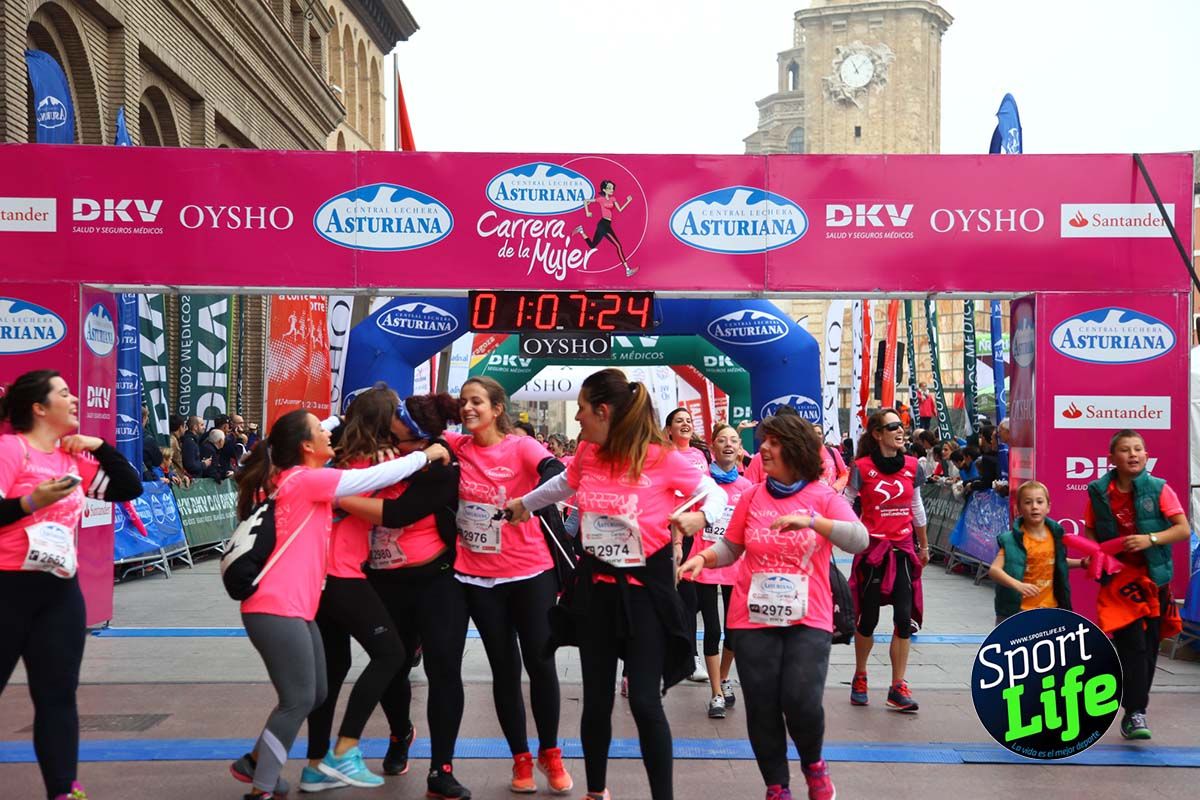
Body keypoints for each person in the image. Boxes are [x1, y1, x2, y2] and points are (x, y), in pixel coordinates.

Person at [508, 368, 724, 800]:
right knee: (596, 702)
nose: (578, 421)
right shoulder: (588, 451)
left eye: (583, 411)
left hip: (646, 593)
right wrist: (523, 505)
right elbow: (562, 484)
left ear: (603, 411)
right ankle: (596, 791)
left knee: (645, 702)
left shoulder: (660, 457)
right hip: (597, 592)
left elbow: (712, 492)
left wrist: (700, 517)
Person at [232, 409, 448, 800]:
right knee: (297, 699)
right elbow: (372, 478)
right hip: (275, 606)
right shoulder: (307, 480)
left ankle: (255, 763)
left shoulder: (292, 476)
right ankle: (262, 788)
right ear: (306, 446)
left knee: (315, 694)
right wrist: (426, 455)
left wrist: (339, 417)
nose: (329, 435)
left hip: (297, 607)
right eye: (320, 431)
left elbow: (317, 437)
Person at [680, 413, 868, 800]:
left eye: (774, 442)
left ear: (795, 449)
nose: (762, 447)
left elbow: (859, 539)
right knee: (762, 705)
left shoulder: (822, 496)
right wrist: (705, 559)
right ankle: (777, 786)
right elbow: (732, 546)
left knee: (800, 698)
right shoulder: (751, 495)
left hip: (808, 615)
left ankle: (814, 764)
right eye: (764, 441)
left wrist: (815, 522)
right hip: (751, 617)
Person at [0, 370, 143, 800]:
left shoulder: (71, 459)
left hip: (60, 592)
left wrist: (101, 446)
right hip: (7, 589)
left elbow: (127, 487)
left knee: (58, 695)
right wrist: (30, 502)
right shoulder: (11, 449)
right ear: (39, 408)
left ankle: (64, 790)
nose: (75, 399)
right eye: (64, 393)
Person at [282, 387, 420, 793]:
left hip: (317, 579)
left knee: (334, 668)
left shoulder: (330, 457)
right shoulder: (378, 460)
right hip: (342, 575)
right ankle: (344, 749)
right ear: (386, 419)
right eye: (396, 412)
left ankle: (313, 765)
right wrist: (428, 452)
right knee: (391, 654)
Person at [337, 391, 472, 799]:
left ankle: (441, 769)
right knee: (392, 666)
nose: (390, 431)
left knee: (444, 669)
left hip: (437, 580)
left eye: (397, 426)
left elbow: (398, 514)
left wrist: (333, 495)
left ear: (417, 433)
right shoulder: (373, 454)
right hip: (383, 579)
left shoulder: (441, 466)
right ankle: (401, 734)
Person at [442, 377, 573, 795]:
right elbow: (413, 418)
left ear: (497, 409)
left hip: (530, 573)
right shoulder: (456, 447)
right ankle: (520, 758)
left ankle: (551, 753)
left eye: (476, 401)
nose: (467, 408)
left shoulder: (520, 446)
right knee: (504, 668)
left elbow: (557, 471)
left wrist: (529, 501)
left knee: (540, 662)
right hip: (478, 578)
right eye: (463, 402)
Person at [1082, 429, 1189, 740]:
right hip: (1119, 580)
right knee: (1133, 644)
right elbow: (1090, 532)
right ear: (1111, 458)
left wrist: (1150, 539)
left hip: (1155, 578)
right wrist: (1095, 555)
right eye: (1126, 449)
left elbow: (1182, 529)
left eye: (1139, 449)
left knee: (1151, 646)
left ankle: (1134, 705)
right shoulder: (1099, 492)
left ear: (1146, 455)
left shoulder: (1159, 489)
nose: (1133, 454)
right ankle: (1135, 712)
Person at [846, 408, 929, 713]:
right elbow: (845, 504)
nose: (900, 431)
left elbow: (917, 507)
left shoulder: (912, 466)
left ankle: (898, 685)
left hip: (903, 551)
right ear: (877, 434)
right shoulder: (861, 467)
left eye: (902, 425)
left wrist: (923, 545)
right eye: (893, 426)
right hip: (873, 552)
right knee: (867, 620)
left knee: (904, 618)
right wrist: (848, 536)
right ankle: (860, 675)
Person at [684, 423, 752, 718]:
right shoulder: (701, 483)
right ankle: (715, 693)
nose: (728, 444)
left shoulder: (747, 488)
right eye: (722, 440)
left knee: (735, 632)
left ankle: (723, 678)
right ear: (712, 447)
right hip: (707, 563)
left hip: (736, 566)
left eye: (734, 441)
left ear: (740, 450)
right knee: (713, 629)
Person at [989, 481, 1080, 624]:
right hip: (1018, 613)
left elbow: (1057, 561)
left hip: (1050, 610)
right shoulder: (1012, 540)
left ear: (1048, 506)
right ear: (1018, 508)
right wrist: (1018, 585)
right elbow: (994, 570)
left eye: (1039, 502)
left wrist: (1082, 563)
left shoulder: (1055, 535)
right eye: (1028, 502)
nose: (1034, 507)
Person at [664, 408, 710, 682]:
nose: (685, 424)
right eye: (678, 421)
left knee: (690, 598)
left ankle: (689, 657)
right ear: (668, 428)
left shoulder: (700, 455)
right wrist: (676, 537)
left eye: (688, 421)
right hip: (669, 530)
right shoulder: (663, 456)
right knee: (670, 595)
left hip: (699, 530)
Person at [574, 179, 637, 277]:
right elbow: (585, 201)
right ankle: (627, 270)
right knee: (618, 246)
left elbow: (620, 209)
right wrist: (587, 212)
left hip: (606, 224)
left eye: (612, 188)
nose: (611, 190)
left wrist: (628, 201)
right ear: (604, 189)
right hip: (603, 225)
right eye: (609, 188)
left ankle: (581, 231)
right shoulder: (600, 199)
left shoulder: (613, 199)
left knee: (592, 246)